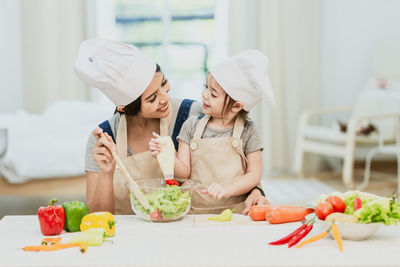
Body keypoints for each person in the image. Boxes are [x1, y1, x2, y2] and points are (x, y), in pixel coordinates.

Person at [75, 39, 267, 214]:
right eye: (152, 98)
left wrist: (256, 191)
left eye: (164, 84)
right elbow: (97, 215)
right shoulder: (104, 140)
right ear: (124, 107)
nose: (165, 97)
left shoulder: (195, 115)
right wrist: (106, 174)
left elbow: (240, 161)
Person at [150, 50, 274, 214]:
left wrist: (229, 189)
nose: (204, 95)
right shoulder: (191, 126)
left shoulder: (248, 131)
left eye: (213, 94)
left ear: (237, 106)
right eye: (206, 87)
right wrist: (167, 154)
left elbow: (254, 174)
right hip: (195, 211)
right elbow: (184, 172)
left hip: (235, 212)